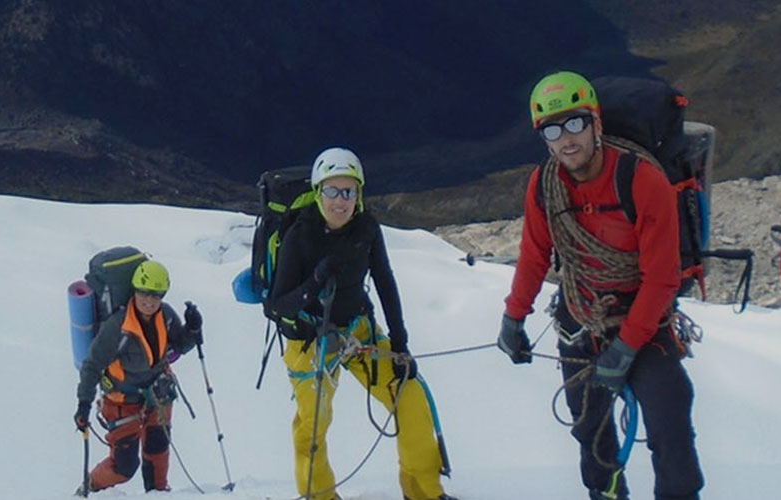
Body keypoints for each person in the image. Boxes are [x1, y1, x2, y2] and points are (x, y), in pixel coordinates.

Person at [495, 71, 704, 500]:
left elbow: (662, 277)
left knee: (670, 417)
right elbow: (535, 255)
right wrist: (513, 318)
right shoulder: (545, 185)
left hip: (642, 315)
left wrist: (626, 347)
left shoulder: (641, 179)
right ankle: (605, 493)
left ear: (596, 123)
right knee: (590, 430)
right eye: (553, 130)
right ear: (544, 138)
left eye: (575, 124)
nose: (567, 140)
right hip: (581, 314)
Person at [265, 147, 455, 500]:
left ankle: (424, 491)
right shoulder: (299, 235)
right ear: (319, 191)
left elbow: (384, 281)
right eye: (332, 191)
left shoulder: (366, 228)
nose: (340, 201)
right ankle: (319, 495)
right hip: (310, 340)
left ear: (359, 195)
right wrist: (314, 282)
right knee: (313, 423)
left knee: (409, 397)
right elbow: (277, 305)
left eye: (348, 192)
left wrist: (400, 343)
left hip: (358, 331)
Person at [74, 259, 204, 494]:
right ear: (135, 290)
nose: (149, 301)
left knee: (158, 447)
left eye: (156, 295)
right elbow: (92, 365)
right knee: (124, 466)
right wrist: (84, 403)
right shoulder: (117, 327)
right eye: (144, 293)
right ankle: (88, 489)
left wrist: (192, 330)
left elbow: (179, 345)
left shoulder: (166, 316)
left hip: (158, 394)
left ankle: (158, 494)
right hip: (122, 401)